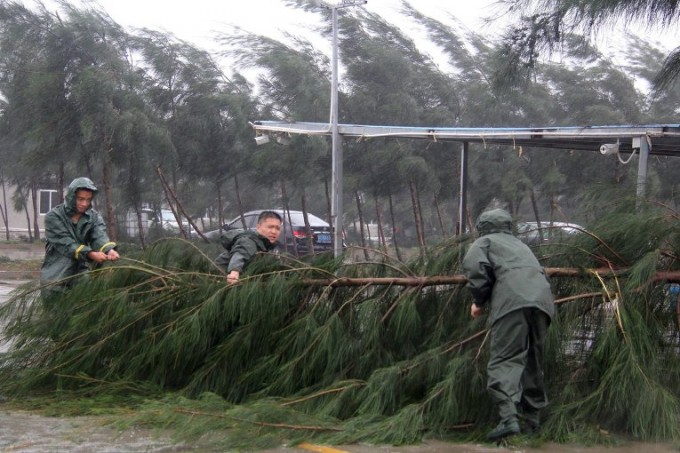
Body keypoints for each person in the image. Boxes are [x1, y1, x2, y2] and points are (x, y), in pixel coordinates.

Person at [462, 208, 555, 441]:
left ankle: (508, 419)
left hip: (513, 302)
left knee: (505, 359)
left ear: (482, 227)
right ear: (508, 226)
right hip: (543, 302)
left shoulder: (484, 242)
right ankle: (533, 421)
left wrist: (479, 302)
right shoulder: (520, 245)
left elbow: (475, 269)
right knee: (532, 359)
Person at [41, 177, 120, 292]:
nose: (84, 203)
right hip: (56, 275)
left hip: (81, 273)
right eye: (80, 199)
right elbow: (66, 244)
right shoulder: (53, 217)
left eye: (88, 200)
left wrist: (109, 250)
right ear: (72, 197)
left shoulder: (94, 217)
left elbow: (99, 236)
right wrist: (90, 254)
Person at [215, 210, 282, 285]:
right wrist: (234, 272)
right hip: (218, 276)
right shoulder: (249, 241)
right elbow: (240, 254)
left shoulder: (270, 247)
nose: (274, 231)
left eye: (278, 228)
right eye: (270, 227)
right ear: (258, 227)